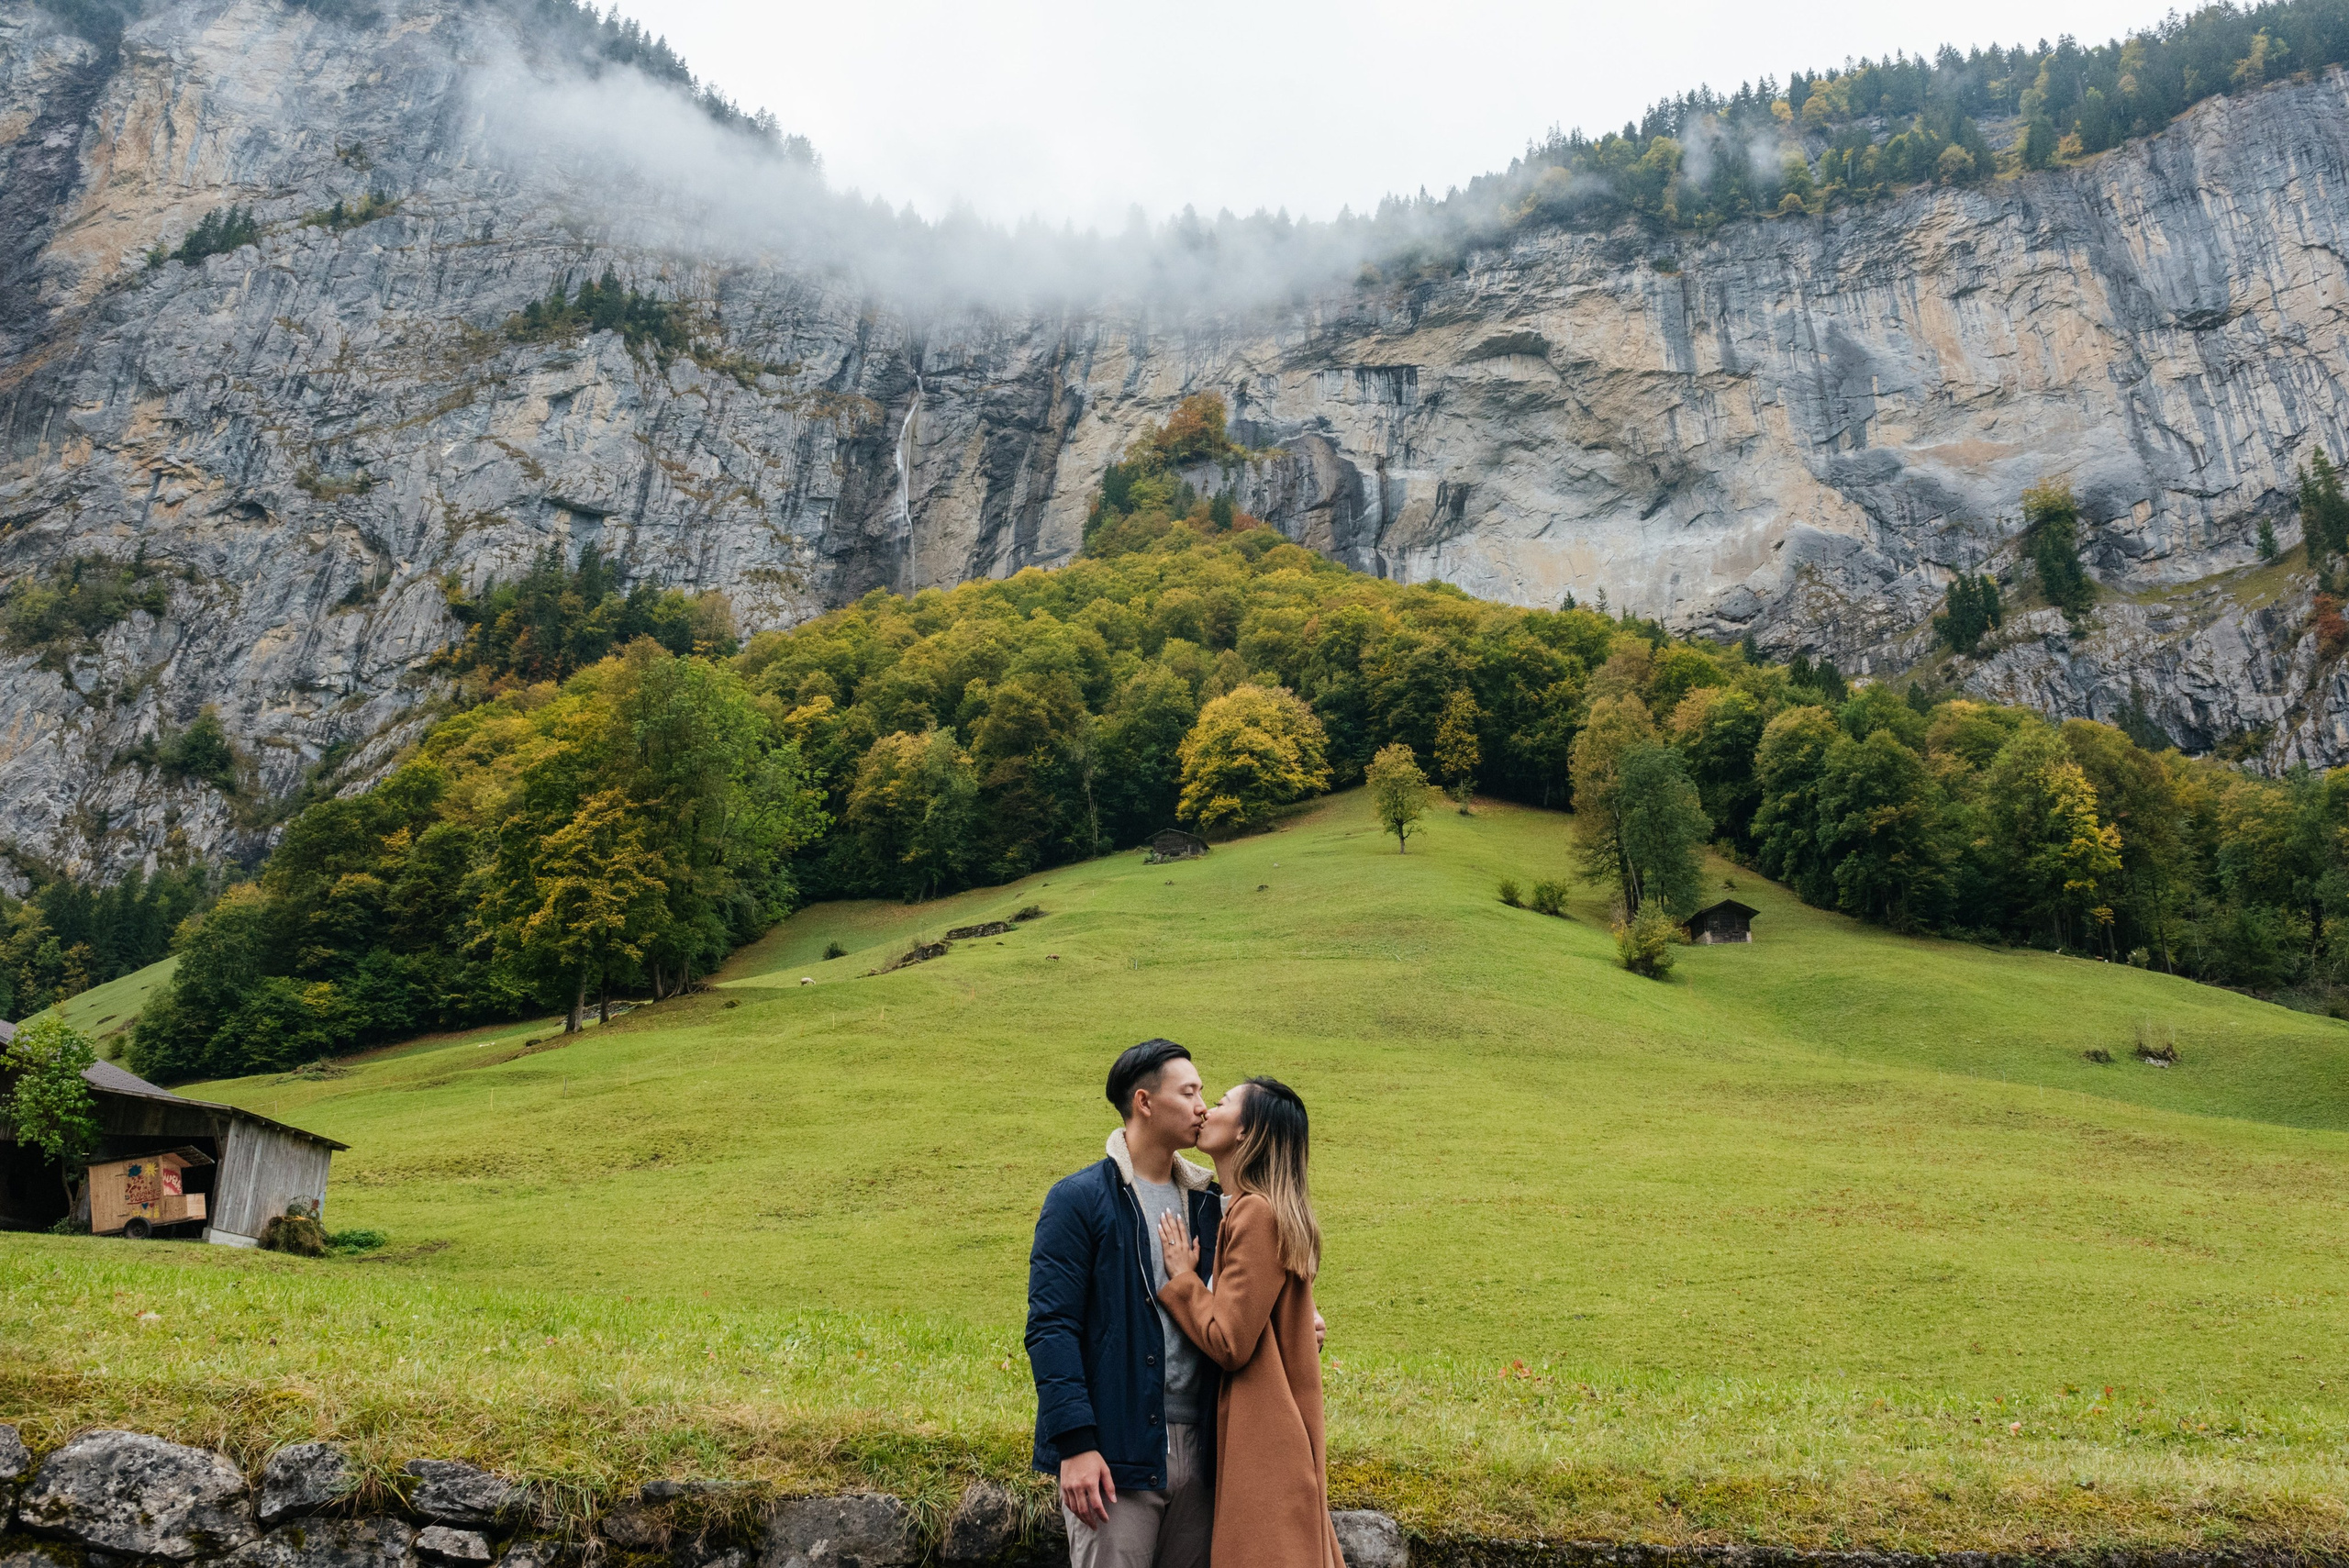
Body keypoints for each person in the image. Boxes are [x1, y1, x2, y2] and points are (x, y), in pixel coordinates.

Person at [1027, 1039, 1225, 1568]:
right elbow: (1051, 1329)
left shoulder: (1213, 1204)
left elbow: (1245, 1300)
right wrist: (1075, 1445)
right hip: (1115, 1454)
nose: (1203, 1104)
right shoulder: (1079, 1199)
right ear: (1144, 1102)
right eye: (1189, 1092)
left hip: (1207, 1457)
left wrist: (1300, 1323)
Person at [1154, 1076, 1345, 1568]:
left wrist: (1182, 1281)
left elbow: (1229, 1340)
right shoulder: (1254, 1208)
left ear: (1246, 1131)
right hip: (1271, 1447)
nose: (1205, 1110)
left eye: (1220, 1103)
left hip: (1264, 1455)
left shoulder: (1255, 1213)